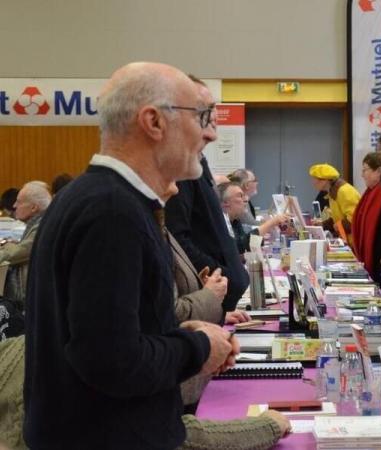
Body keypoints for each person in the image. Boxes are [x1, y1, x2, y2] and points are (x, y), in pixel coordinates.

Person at [23, 62, 239, 449]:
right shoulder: (112, 212)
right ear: (153, 122)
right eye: (201, 116)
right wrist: (199, 349)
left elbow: (104, 335)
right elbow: (111, 362)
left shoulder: (100, 200)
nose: (210, 133)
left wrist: (176, 335)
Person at [1, 335, 290, 450]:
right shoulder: (99, 359)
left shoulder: (23, 346)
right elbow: (170, 436)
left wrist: (189, 343)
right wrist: (266, 426)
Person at [165, 76, 249, 313]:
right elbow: (178, 239)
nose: (212, 132)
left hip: (214, 305)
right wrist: (217, 277)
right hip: (208, 299)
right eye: (203, 116)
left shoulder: (198, 163)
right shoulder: (182, 170)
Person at [0, 181, 51, 309]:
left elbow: (17, 253)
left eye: (19, 202)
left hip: (30, 302)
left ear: (34, 207)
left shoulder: (42, 226)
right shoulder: (39, 222)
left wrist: (6, 245)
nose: (14, 205)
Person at [351, 152, 381, 283]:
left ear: (379, 171)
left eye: (365, 170)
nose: (362, 175)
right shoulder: (371, 193)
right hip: (378, 258)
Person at [218, 181, 290, 254]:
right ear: (225, 202)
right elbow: (239, 246)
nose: (245, 200)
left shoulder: (235, 220)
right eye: (240, 196)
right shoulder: (220, 224)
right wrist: (271, 223)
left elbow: (245, 244)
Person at [309, 163, 360, 242]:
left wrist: (339, 225)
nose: (312, 183)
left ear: (324, 180)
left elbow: (355, 220)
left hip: (354, 243)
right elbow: (336, 218)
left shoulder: (344, 191)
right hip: (347, 241)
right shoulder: (333, 193)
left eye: (314, 179)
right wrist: (322, 225)